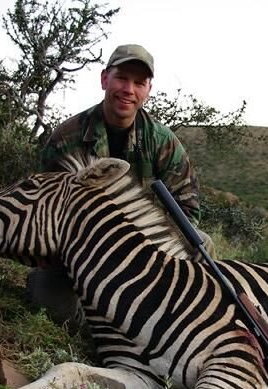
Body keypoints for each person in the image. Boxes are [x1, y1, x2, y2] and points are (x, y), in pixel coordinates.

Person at [29, 44, 213, 327]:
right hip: (80, 253)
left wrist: (146, 249)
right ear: (105, 79)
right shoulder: (67, 138)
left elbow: (187, 210)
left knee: (202, 245)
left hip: (144, 253)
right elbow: (47, 207)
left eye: (139, 82)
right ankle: (98, 320)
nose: (129, 89)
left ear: (148, 90)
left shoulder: (163, 142)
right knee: (48, 298)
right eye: (121, 78)